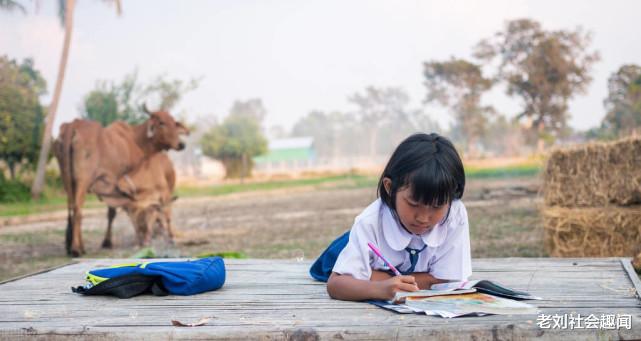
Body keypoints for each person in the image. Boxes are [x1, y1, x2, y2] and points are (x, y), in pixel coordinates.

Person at [310, 133, 471, 301]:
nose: (423, 218)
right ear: (389, 187)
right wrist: (379, 288)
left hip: (383, 262)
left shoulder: (455, 213)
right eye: (413, 204)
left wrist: (374, 277)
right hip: (350, 246)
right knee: (328, 265)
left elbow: (449, 279)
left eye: (437, 206)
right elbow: (336, 284)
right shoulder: (369, 222)